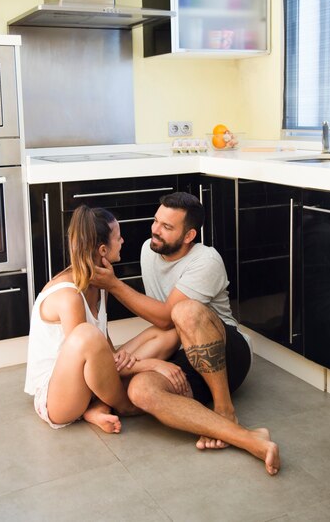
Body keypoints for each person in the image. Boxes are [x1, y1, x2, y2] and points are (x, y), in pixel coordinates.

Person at [92, 191, 280, 475]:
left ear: (190, 235)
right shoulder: (149, 249)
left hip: (227, 353)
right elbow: (164, 328)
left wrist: (115, 286)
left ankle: (224, 409)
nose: (155, 230)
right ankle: (248, 438)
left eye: (167, 227)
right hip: (178, 351)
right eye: (156, 221)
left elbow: (168, 317)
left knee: (184, 311)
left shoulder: (206, 260)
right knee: (140, 390)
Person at [24, 204, 187, 433]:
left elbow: (105, 348)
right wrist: (152, 365)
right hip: (57, 397)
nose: (122, 242)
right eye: (118, 238)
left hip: (90, 375)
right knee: (87, 335)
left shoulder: (101, 282)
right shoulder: (69, 296)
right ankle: (124, 405)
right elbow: (88, 353)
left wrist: (122, 359)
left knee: (168, 331)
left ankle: (97, 407)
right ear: (102, 250)